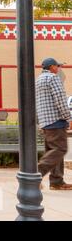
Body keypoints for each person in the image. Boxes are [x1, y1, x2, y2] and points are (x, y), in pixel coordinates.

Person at [36, 58, 72, 190]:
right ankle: (35, 175)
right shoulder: (53, 78)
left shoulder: (38, 80)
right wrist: (68, 118)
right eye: (57, 66)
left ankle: (57, 181)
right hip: (55, 120)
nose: (59, 68)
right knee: (60, 149)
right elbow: (60, 99)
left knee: (53, 151)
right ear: (51, 67)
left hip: (45, 122)